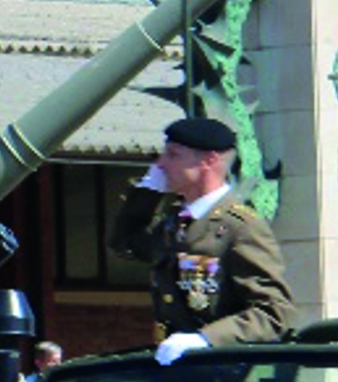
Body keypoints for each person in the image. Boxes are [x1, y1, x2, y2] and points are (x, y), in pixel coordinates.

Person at [112, 114, 297, 362]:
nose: (161, 164)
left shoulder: (240, 227)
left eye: (173, 155)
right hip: (175, 378)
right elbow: (124, 243)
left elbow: (275, 313)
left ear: (209, 160)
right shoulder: (174, 222)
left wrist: (207, 339)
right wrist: (147, 192)